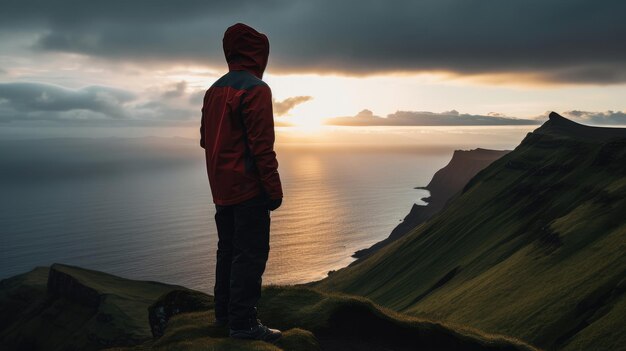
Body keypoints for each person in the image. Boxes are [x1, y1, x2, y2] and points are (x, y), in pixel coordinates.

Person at [200, 23, 283, 341]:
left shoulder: (213, 90)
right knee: (250, 253)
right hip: (249, 189)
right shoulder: (257, 89)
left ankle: (224, 315)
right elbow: (262, 147)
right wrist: (273, 190)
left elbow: (206, 141)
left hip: (221, 190)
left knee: (227, 250)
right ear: (258, 52)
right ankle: (244, 324)